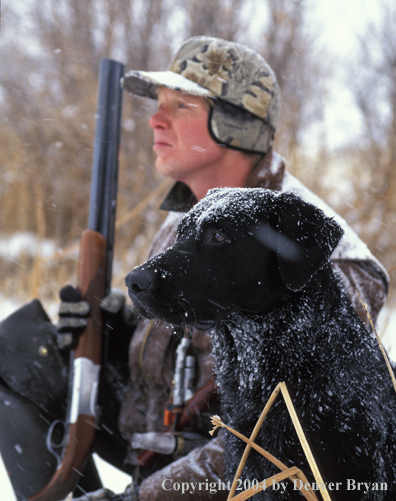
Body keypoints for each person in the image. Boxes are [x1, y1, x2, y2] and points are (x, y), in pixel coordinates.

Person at [0, 37, 389, 501]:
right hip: (159, 445)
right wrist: (112, 330)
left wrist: (140, 499)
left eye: (180, 105)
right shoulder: (187, 219)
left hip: (227, 478)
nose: (155, 120)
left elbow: (285, 440)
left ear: (236, 126)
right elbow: (181, 366)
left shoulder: (316, 249)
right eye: (157, 105)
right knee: (21, 352)